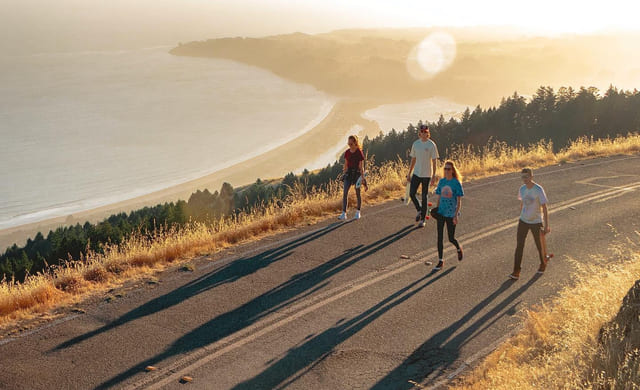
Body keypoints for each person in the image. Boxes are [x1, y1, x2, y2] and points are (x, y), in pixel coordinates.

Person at [509, 168, 552, 280]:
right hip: (523, 220)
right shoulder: (522, 189)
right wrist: (522, 214)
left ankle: (543, 263)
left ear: (531, 177)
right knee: (519, 246)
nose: (525, 179)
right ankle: (516, 271)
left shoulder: (538, 189)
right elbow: (522, 202)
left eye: (526, 177)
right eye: (523, 177)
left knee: (539, 246)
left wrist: (546, 225)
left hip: (536, 222)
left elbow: (544, 207)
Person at [432, 160, 464, 271]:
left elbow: (459, 201)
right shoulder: (441, 182)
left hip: (451, 214)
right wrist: (437, 210)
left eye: (448, 169)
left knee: (451, 238)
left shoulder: (456, 183)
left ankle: (458, 248)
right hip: (441, 212)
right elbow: (439, 197)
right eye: (445, 169)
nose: (446, 171)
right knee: (439, 237)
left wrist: (456, 215)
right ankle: (440, 260)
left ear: (452, 170)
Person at [407, 124, 439, 227]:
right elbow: (413, 159)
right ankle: (420, 209)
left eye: (426, 132)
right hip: (416, 173)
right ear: (419, 133)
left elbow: (434, 161)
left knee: (424, 196)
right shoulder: (416, 144)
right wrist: (409, 173)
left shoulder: (431, 145)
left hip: (427, 174)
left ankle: (423, 219)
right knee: (412, 193)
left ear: (428, 133)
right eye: (422, 132)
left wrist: (434, 175)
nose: (424, 133)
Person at [338, 135, 367, 220]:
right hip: (349, 173)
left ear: (355, 143)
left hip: (357, 174)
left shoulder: (359, 152)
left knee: (358, 193)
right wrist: (344, 174)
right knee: (345, 193)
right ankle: (344, 213)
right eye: (348, 143)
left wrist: (363, 178)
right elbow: (346, 165)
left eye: (351, 143)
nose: (349, 145)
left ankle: (358, 212)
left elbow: (361, 167)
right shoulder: (347, 152)